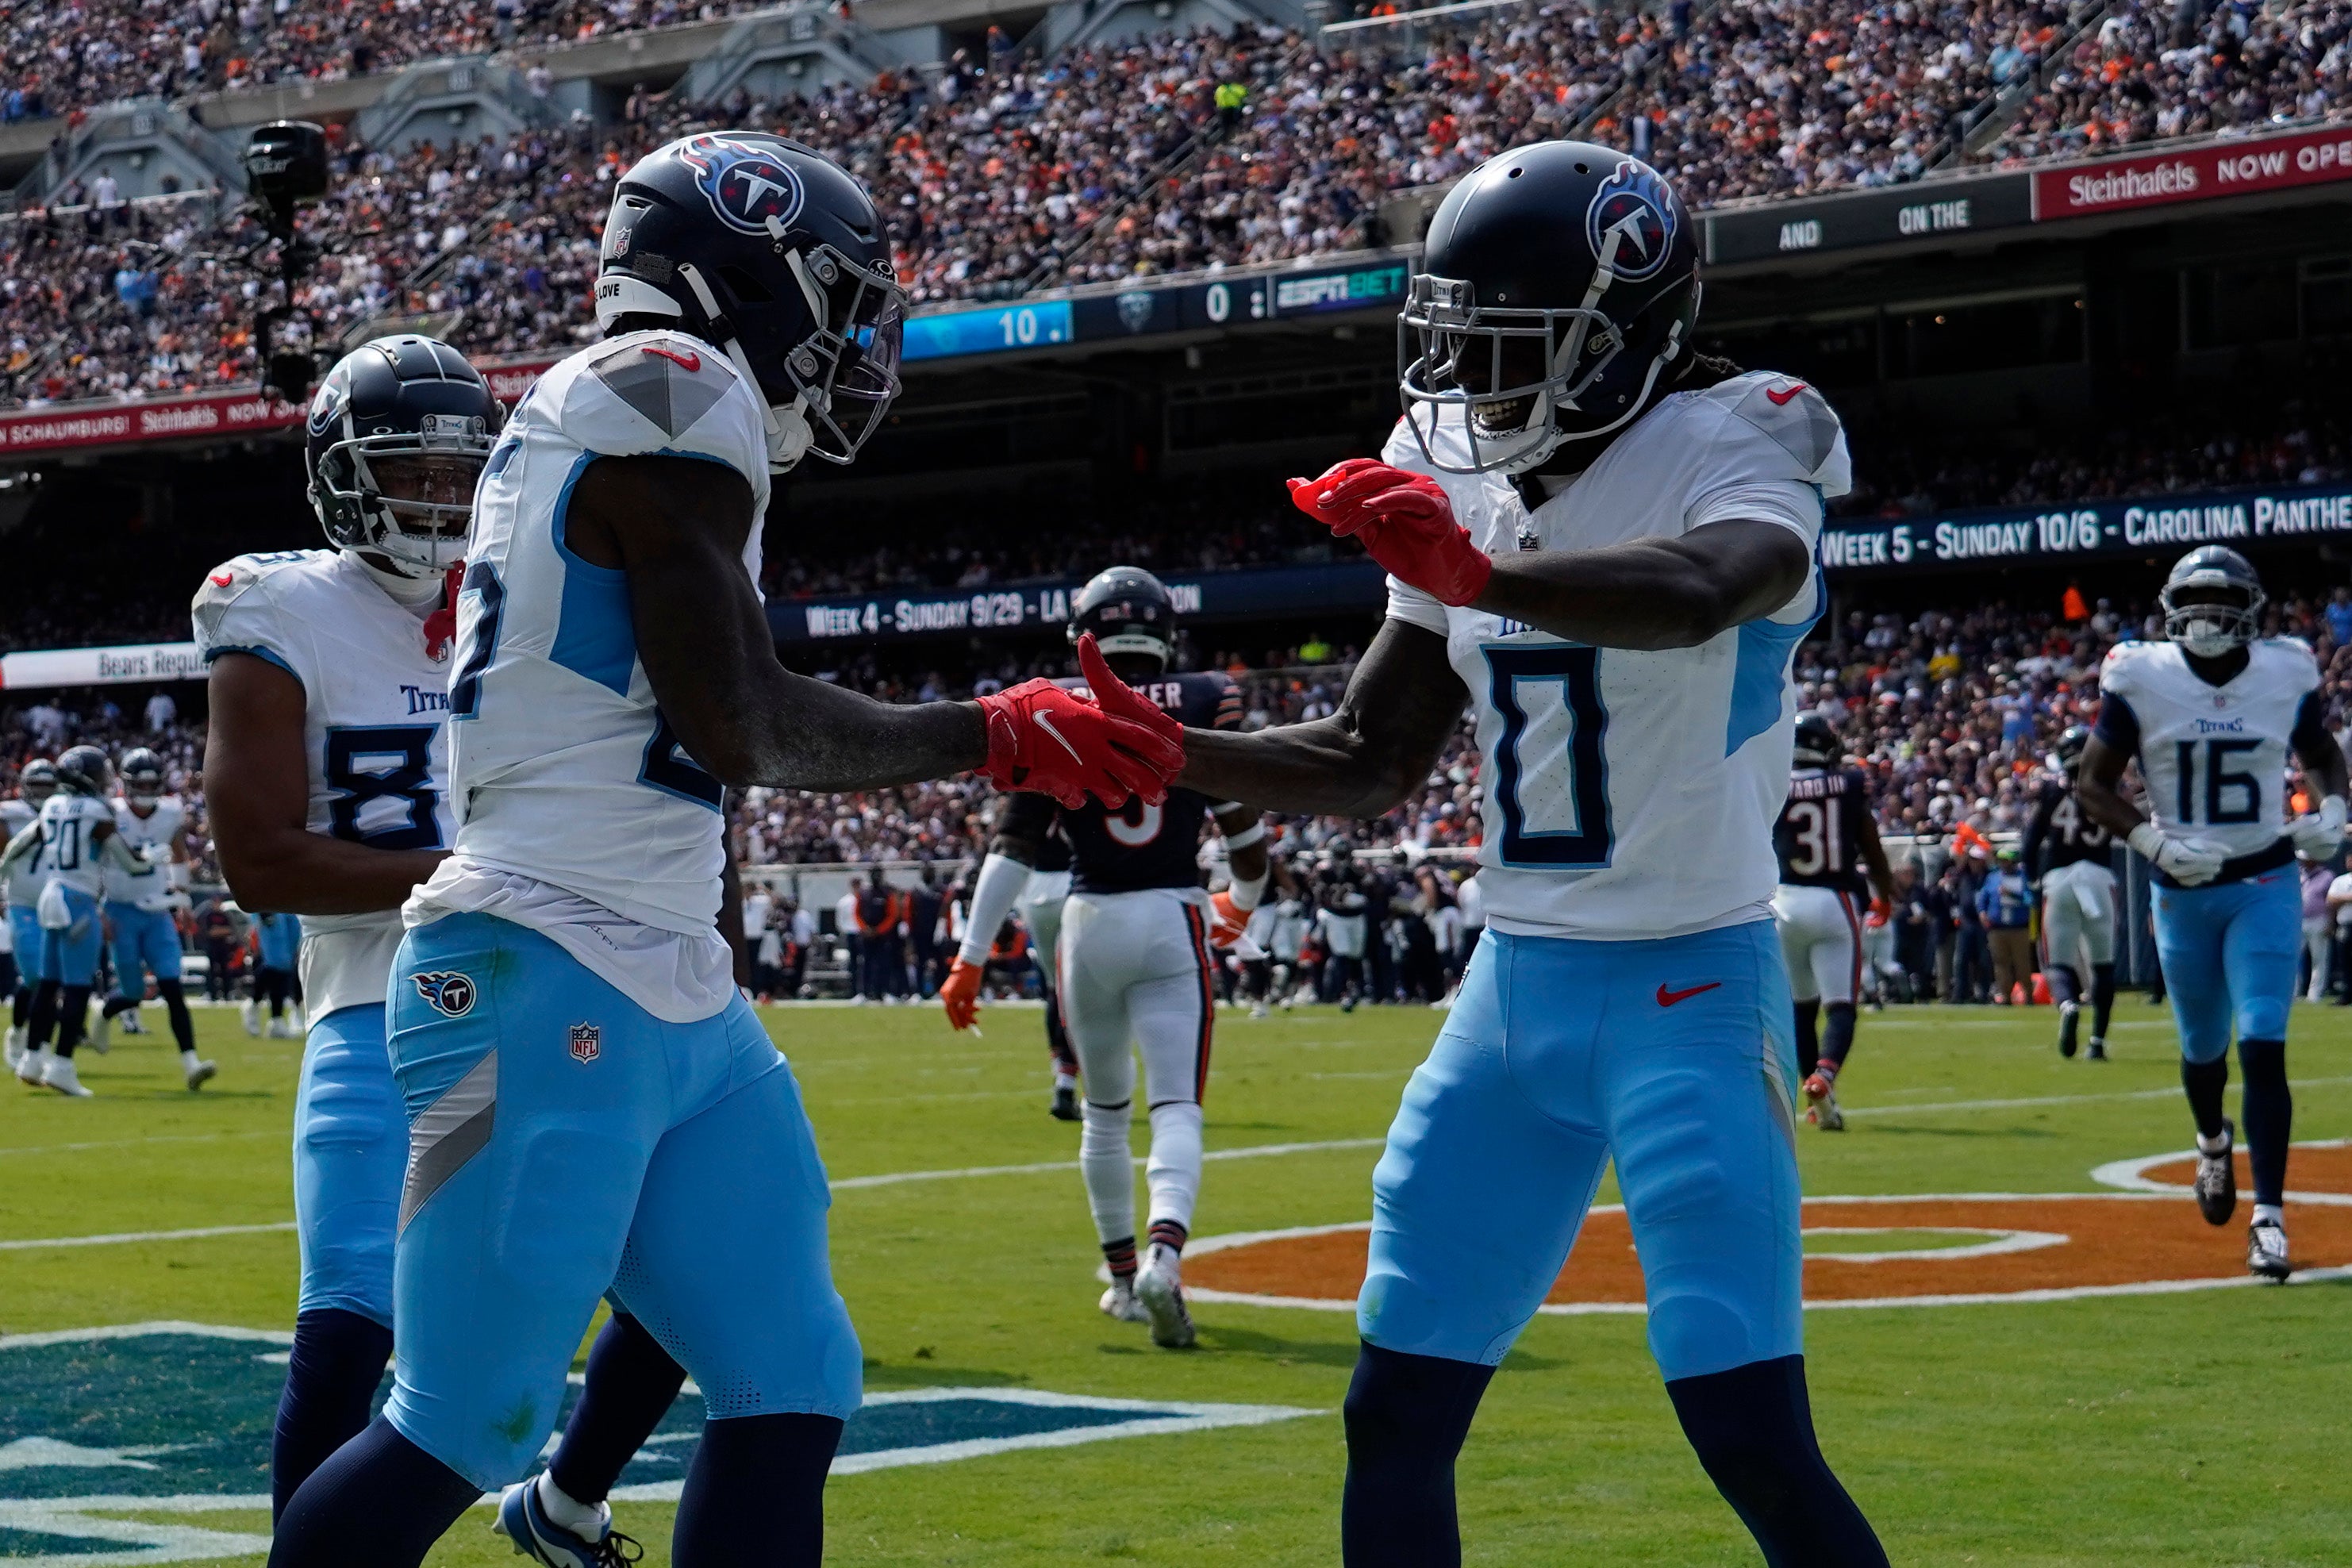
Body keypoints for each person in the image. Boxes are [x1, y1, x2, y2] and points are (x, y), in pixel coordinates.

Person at [263, 133, 1181, 1568]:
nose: (852, 334)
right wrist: (990, 730)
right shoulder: (673, 385)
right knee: (458, 1420)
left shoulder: (630, 405)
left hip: (658, 971)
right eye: (835, 294)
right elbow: (742, 720)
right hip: (537, 957)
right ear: (744, 276)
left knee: (787, 1376)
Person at [1174, 141, 1885, 1566]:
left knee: (1747, 1433)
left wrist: (1481, 574)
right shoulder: (1455, 478)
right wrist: (1156, 751)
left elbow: (1699, 589)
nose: (1464, 385)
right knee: (1391, 1411)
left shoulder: (1745, 433)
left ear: (1624, 337)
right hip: (1511, 995)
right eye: (1449, 344)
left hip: (1691, 984)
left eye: (1507, 347)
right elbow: (1367, 756)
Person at [199, 333, 701, 1542]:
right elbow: (259, 862)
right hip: (384, 999)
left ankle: (570, 1500)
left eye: (454, 471)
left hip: (562, 991)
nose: (434, 496)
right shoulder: (276, 604)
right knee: (358, 1314)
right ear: (336, 472)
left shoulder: (532, 585)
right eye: (406, 470)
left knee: (694, 1281)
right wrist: (491, 876)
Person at [940, 567, 1265, 1349]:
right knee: (1177, 1105)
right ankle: (1164, 1258)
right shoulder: (1204, 697)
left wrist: (971, 956)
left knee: (1105, 1113)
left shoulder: (1062, 701)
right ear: (1163, 629)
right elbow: (1248, 842)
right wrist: (1238, 905)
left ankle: (1121, 1281)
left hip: (1087, 922)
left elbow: (1013, 847)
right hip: (1170, 912)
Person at [2077, 544, 2349, 1283]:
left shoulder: (2284, 669)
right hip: (2182, 889)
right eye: (2194, 603)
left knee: (2263, 1042)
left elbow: (2321, 750)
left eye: (2222, 602)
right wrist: (2150, 844)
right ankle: (2210, 1141)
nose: (2207, 617)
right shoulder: (2141, 674)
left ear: (2251, 612)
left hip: (2263, 877)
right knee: (2203, 1052)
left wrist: (2333, 805)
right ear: (2170, 611)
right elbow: (2092, 784)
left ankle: (2270, 1219)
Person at [3, 747, 152, 1096]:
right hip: (77, 901)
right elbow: (130, 864)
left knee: (49, 984)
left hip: (49, 896)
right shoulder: (96, 811)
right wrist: (151, 859)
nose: (105, 778)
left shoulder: (53, 805)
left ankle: (32, 1059)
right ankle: (63, 1065)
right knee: (77, 987)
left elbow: (18, 846)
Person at [1770, 714, 1894, 1131]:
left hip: (1784, 900)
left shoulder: (1775, 782)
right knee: (1840, 1005)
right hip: (1834, 900)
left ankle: (1818, 1099)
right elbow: (1871, 846)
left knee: (1801, 1007)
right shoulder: (1849, 783)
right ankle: (1824, 1075)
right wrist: (1885, 893)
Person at [96, 747, 211, 1086]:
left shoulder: (170, 812)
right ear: (127, 784)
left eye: (152, 785)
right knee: (132, 992)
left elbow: (178, 854)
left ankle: (192, 1063)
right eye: (140, 785)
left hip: (158, 909)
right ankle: (105, 1013)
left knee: (172, 986)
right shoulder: (109, 813)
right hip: (120, 909)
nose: (146, 792)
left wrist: (184, 900)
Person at [2022, 724, 2119, 1058]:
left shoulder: (2050, 792)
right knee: (2103, 965)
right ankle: (2098, 1043)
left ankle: (2066, 1004)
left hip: (2059, 879)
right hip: (2099, 879)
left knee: (2057, 962)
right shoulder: (2108, 788)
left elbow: (2029, 844)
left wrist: (2033, 882)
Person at [2, 759, 57, 1069]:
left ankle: (41, 1047)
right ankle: (19, 1031)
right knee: (37, 976)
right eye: (37, 786)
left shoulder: (63, 811)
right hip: (22, 902)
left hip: (56, 903)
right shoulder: (10, 814)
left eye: (48, 787)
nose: (42, 793)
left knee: (51, 979)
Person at [1316, 844, 1371, 1009]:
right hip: (1336, 916)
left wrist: (1360, 897)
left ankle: (1356, 990)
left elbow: (1372, 888)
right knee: (1341, 954)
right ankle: (1343, 993)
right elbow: (1318, 892)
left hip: (1356, 917)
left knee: (1355, 955)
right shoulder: (1324, 871)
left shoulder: (1358, 869)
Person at [1977, 847, 2035, 1005]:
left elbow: (2030, 900)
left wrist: (2012, 894)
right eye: (2002, 860)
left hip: (2018, 928)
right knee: (2000, 963)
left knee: (2022, 963)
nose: (2004, 864)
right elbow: (1983, 897)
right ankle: (2005, 995)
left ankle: (2028, 995)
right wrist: (1982, 912)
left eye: (2007, 860)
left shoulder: (2024, 877)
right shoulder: (1993, 877)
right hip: (1997, 928)